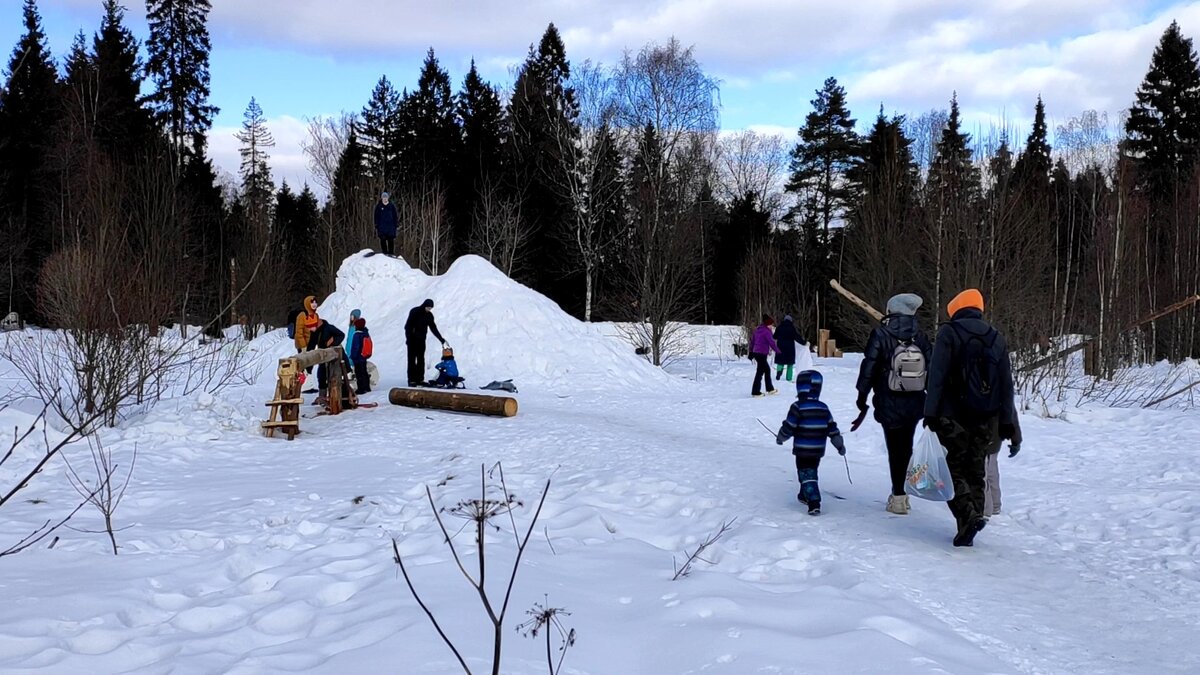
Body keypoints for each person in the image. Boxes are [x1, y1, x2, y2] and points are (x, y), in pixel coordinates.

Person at [924, 288, 1016, 547]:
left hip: (952, 416)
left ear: (956, 309)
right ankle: (970, 522)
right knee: (976, 469)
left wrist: (930, 413)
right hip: (985, 417)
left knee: (950, 469)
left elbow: (937, 377)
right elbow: (1006, 384)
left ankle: (968, 514)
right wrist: (1006, 420)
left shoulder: (949, 333)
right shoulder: (995, 337)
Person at [853, 293, 933, 515]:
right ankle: (904, 494)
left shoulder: (880, 334)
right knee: (906, 447)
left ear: (892, 310)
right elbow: (933, 370)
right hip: (916, 401)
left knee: (895, 449)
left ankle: (898, 496)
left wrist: (862, 396)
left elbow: (869, 367)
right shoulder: (921, 336)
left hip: (889, 400)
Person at [776, 370, 846, 516]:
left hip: (803, 449)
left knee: (805, 472)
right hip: (818, 450)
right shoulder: (823, 407)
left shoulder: (798, 407)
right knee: (810, 471)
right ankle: (803, 495)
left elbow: (789, 426)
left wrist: (781, 437)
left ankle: (814, 502)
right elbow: (832, 428)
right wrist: (839, 444)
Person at [985, 412, 1022, 516]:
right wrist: (1016, 440)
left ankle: (985, 510)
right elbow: (1011, 413)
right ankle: (995, 506)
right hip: (994, 438)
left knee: (981, 474)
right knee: (991, 470)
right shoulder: (1003, 395)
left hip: (982, 437)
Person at [405, 298, 446, 386]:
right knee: (412, 360)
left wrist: (441, 339)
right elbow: (408, 326)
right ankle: (411, 380)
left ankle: (420, 379)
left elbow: (433, 328)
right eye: (428, 307)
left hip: (421, 340)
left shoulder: (429, 316)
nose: (429, 309)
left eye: (430, 308)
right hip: (412, 340)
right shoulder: (415, 311)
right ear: (424, 305)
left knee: (421, 360)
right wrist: (408, 338)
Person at [306, 318, 347, 405]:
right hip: (323, 356)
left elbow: (341, 335)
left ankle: (336, 397)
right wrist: (308, 366)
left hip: (335, 357)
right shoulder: (315, 332)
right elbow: (311, 347)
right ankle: (322, 396)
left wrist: (333, 341)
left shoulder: (329, 328)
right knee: (321, 376)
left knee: (334, 377)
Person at [748, 314, 780, 397]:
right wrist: (778, 351)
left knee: (766, 370)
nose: (772, 326)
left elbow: (752, 341)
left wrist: (751, 352)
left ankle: (769, 389)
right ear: (767, 324)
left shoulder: (758, 330)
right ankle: (756, 391)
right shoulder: (766, 331)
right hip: (761, 353)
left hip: (756, 353)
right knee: (760, 372)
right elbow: (772, 343)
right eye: (771, 324)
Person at [773, 314, 806, 382]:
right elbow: (796, 337)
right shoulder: (792, 328)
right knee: (790, 364)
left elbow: (775, 337)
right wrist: (804, 342)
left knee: (780, 362)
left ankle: (779, 372)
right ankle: (788, 377)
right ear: (791, 320)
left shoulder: (779, 327)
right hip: (789, 348)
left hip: (780, 347)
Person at [349, 317, 372, 395]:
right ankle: (367, 387)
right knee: (364, 372)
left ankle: (361, 389)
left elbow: (356, 347)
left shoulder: (357, 334)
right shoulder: (366, 333)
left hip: (358, 358)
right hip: (364, 356)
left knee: (359, 373)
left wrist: (353, 356)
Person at [374, 191, 399, 256]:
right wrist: (376, 224)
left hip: (390, 227)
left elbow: (395, 216)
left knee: (391, 240)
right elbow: (376, 216)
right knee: (383, 240)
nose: (385, 199)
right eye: (383, 197)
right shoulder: (379, 206)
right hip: (382, 227)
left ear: (388, 198)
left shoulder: (391, 206)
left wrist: (396, 224)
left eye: (386, 197)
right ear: (382, 198)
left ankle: (391, 253)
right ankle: (384, 253)